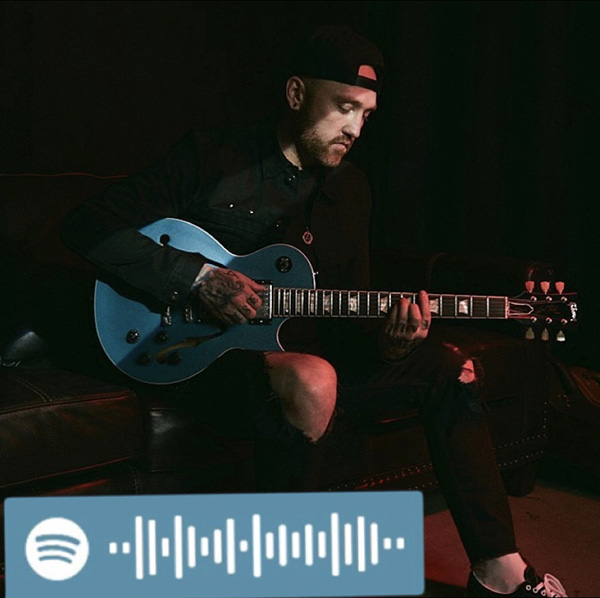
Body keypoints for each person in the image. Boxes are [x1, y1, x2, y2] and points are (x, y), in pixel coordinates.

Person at [60, 24, 568, 598]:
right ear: (297, 94)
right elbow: (87, 225)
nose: (354, 128)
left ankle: (498, 572)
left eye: (367, 116)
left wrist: (392, 345)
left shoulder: (352, 192)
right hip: (191, 357)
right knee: (313, 377)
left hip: (296, 354)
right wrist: (198, 278)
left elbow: (345, 314)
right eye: (344, 107)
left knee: (449, 366)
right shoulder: (211, 156)